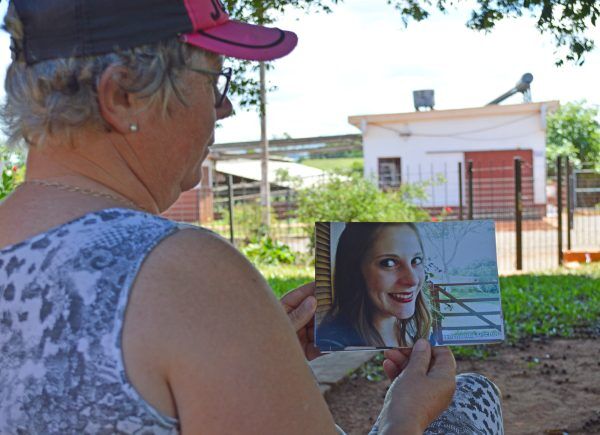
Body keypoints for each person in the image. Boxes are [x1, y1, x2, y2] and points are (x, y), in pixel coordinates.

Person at [0, 0, 502, 433]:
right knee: (468, 398)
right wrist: (403, 417)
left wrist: (257, 358)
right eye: (215, 80)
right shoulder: (185, 272)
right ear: (123, 95)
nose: (226, 108)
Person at [318, 223, 435, 350]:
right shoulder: (333, 344)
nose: (413, 280)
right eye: (388, 263)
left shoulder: (412, 328)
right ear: (353, 271)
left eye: (416, 260)